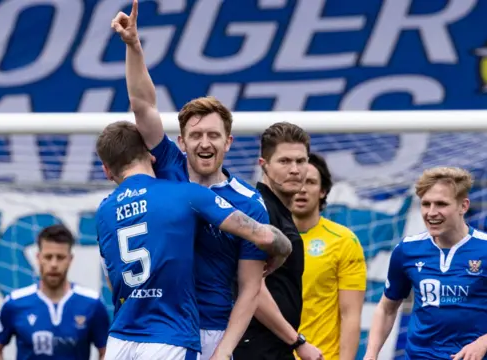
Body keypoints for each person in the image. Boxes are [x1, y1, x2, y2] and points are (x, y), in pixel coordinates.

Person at [111, 3, 272, 359]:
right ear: (181, 142)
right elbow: (142, 105)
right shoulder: (168, 165)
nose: (205, 143)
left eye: (214, 135)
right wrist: (134, 47)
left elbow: (250, 288)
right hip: (158, 329)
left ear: (228, 142)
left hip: (212, 330)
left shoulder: (248, 203)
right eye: (195, 135)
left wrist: (223, 351)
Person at [95, 120, 292, 360]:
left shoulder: (104, 211)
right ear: (152, 156)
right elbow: (262, 235)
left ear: (106, 170)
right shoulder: (186, 193)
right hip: (170, 336)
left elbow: (111, 280)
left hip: (119, 340)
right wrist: (283, 251)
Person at [363, 166, 487, 360]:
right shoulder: (406, 250)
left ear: (463, 206)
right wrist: (371, 354)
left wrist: (484, 342)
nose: (431, 212)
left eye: (441, 204)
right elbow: (386, 308)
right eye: (426, 204)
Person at [233, 122, 323, 360]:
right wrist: (297, 341)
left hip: (274, 345)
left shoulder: (280, 211)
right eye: (284, 162)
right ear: (264, 165)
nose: (294, 169)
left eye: (301, 161)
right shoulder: (260, 210)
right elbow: (252, 287)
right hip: (256, 347)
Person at [0, 224, 110, 360]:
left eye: (60, 257)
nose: (54, 264)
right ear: (38, 258)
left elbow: (105, 352)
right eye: (48, 257)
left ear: (70, 259)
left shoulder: (92, 304)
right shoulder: (14, 303)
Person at [291, 153, 366, 360]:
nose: (302, 189)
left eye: (311, 182)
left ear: (323, 191)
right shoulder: (265, 237)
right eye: (297, 182)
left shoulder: (343, 241)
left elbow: (350, 314)